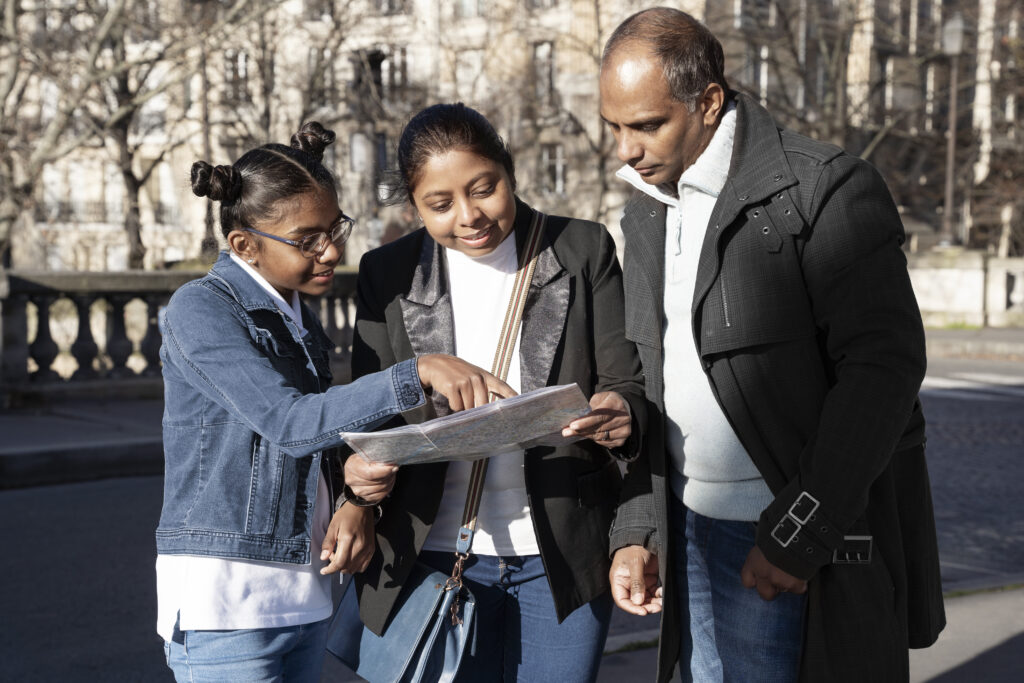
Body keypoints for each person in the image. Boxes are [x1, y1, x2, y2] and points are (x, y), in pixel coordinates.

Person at [599, 8, 945, 682]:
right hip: (685, 524)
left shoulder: (826, 188)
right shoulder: (644, 204)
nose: (625, 150)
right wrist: (640, 524)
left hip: (774, 533)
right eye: (614, 125)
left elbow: (884, 371)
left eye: (645, 125)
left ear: (707, 102)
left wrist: (796, 535)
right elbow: (648, 366)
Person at [155, 121, 513, 683]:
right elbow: (289, 423)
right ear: (244, 245)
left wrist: (354, 493)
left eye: (334, 228)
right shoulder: (200, 310)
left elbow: (316, 447)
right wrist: (416, 371)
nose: (331, 250)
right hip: (227, 603)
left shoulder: (297, 314)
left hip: (303, 594)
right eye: (306, 240)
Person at [333, 103, 647, 682]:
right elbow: (365, 409)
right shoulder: (389, 272)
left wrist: (620, 412)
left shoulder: (581, 248)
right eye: (441, 204)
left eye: (485, 189)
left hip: (561, 551)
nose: (470, 216)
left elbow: (625, 381)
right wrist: (357, 488)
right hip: (427, 554)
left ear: (509, 169)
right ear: (413, 204)